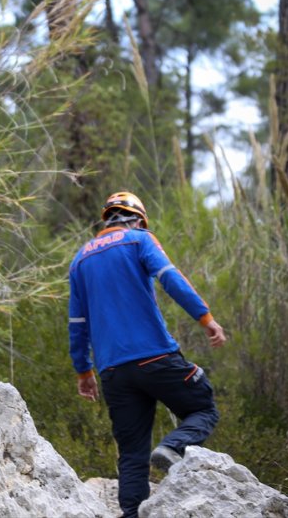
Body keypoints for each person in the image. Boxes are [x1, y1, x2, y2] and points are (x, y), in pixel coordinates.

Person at [68, 191, 227, 518]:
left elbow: (77, 322)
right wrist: (205, 318)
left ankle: (131, 514)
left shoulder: (80, 259)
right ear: (139, 220)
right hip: (155, 356)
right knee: (203, 407)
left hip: (113, 371)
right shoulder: (139, 239)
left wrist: (84, 371)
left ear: (107, 219)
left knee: (131, 453)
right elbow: (171, 279)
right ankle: (173, 446)